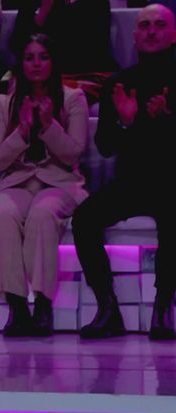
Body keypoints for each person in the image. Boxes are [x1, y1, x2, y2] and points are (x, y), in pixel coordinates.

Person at [73, 4, 176, 340]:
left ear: (173, 34)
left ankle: (163, 307)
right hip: (133, 181)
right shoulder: (119, 83)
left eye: (159, 25)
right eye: (144, 25)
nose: (151, 31)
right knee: (84, 218)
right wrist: (124, 122)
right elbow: (105, 146)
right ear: (134, 35)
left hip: (172, 181)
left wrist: (166, 119)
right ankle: (107, 308)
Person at [0, 33, 89, 337]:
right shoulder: (3, 104)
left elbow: (73, 153)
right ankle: (17, 307)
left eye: (43, 57)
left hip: (59, 181)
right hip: (17, 181)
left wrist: (48, 125)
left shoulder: (73, 99)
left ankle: (43, 304)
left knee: (43, 214)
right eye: (29, 57)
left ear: (53, 62)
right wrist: (21, 131)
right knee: (1, 214)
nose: (36, 63)